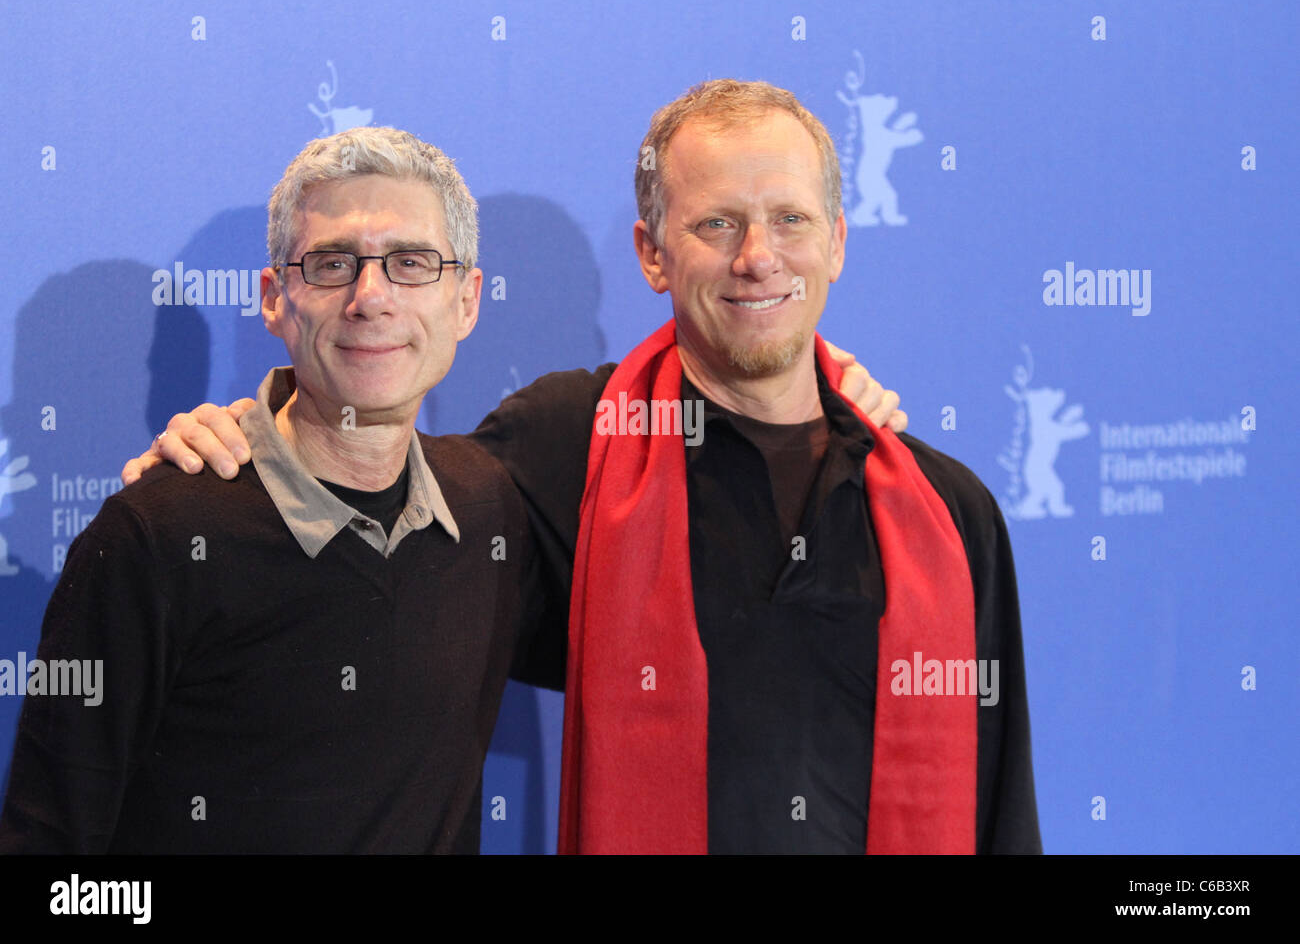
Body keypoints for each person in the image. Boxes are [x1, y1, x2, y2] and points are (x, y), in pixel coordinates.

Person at [126, 80, 1037, 855]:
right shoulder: (563, 446)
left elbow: (1002, 811)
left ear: (835, 241)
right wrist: (239, 450)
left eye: (788, 219)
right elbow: (364, 492)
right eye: (715, 222)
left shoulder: (948, 513)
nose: (758, 257)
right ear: (651, 254)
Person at [0, 126, 541, 852]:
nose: (370, 298)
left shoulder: (489, 508)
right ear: (274, 298)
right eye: (331, 264)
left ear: (467, 301)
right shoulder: (155, 536)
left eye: (411, 263)